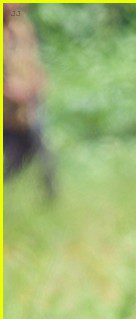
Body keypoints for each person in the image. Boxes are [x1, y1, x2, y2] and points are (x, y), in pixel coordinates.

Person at [3, 3, 56, 194]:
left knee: (42, 150)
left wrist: (37, 81)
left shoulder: (21, 25)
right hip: (8, 111)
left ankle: (51, 196)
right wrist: (10, 90)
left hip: (29, 105)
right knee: (16, 154)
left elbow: (32, 58)